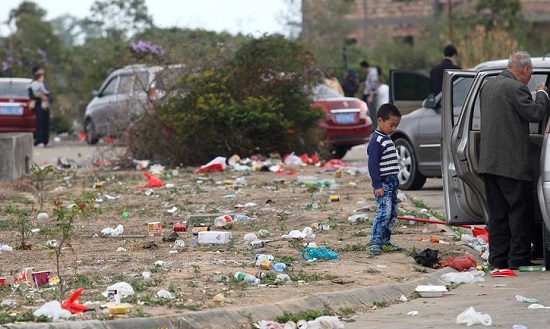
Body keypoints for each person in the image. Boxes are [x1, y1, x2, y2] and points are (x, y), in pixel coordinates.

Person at [478, 51, 550, 270]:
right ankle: (518, 257)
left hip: (489, 163)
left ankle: (498, 259)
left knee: (497, 215)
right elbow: (536, 113)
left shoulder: (487, 86)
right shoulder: (516, 88)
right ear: (525, 69)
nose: (530, 79)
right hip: (511, 164)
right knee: (519, 212)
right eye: (531, 75)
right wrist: (542, 94)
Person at [366, 103, 403, 255]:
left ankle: (385, 240)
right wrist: (377, 185)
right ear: (380, 121)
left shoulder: (386, 139)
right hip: (383, 183)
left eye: (396, 125)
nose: (394, 129)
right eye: (391, 125)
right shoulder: (376, 140)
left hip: (392, 182)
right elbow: (372, 165)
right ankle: (375, 240)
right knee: (384, 212)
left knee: (393, 212)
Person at [29, 66, 51, 147]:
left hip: (45, 104)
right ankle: (39, 141)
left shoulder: (44, 83)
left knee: (46, 123)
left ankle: (46, 141)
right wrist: (39, 96)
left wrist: (46, 97)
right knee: (40, 123)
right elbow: (31, 95)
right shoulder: (32, 84)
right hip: (38, 105)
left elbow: (48, 93)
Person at [360, 60, 379, 129]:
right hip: (368, 95)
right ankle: (373, 127)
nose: (362, 71)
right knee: (370, 112)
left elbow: (373, 86)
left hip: (372, 95)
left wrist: (371, 96)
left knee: (373, 112)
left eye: (362, 69)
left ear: (364, 67)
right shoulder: (369, 73)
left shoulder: (373, 73)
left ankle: (376, 128)